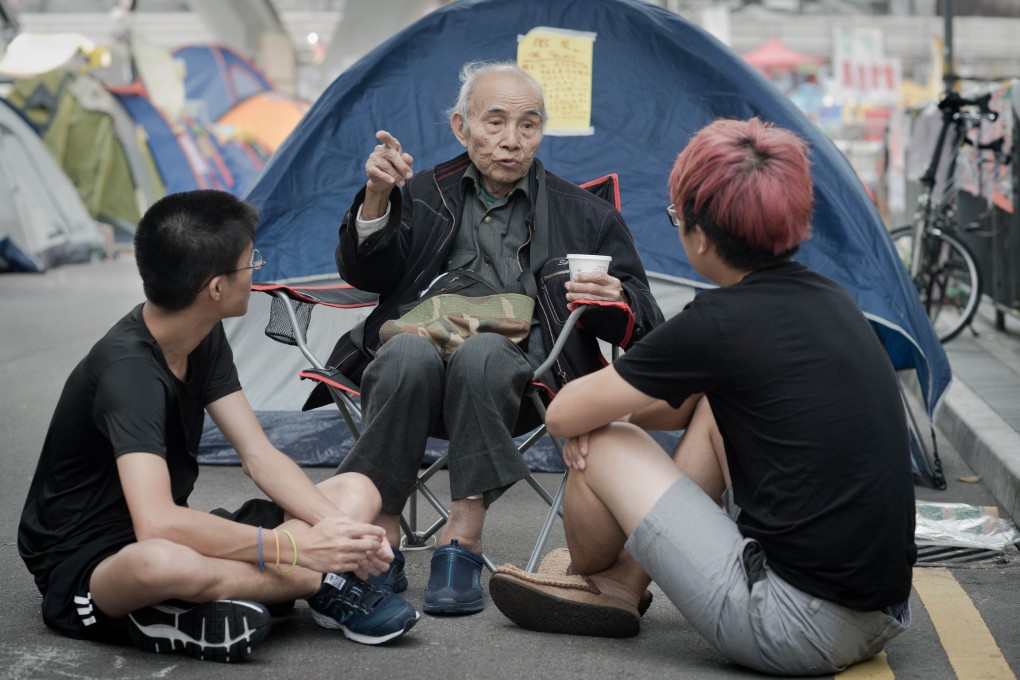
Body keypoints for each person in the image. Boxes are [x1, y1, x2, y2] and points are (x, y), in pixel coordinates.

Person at [488, 118, 916, 676]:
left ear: (701, 236)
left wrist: (592, 419)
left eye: (676, 219)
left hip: (793, 627)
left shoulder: (717, 322)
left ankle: (601, 576)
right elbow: (680, 405)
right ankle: (624, 580)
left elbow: (565, 410)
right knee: (713, 404)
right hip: (883, 612)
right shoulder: (829, 299)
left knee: (603, 434)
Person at [316, 60, 663, 615]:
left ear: (541, 132)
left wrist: (612, 297)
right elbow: (366, 277)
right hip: (416, 369)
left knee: (481, 353)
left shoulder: (585, 213)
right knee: (403, 349)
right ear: (461, 127)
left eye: (528, 125)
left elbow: (646, 315)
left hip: (527, 378)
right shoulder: (420, 191)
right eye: (494, 122)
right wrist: (377, 200)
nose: (511, 140)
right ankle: (380, 536)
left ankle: (464, 537)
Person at [18, 190, 420, 663]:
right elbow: (157, 523)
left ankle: (188, 610)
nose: (257, 273)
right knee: (162, 562)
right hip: (95, 563)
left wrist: (334, 532)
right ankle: (322, 584)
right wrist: (301, 551)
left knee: (356, 491)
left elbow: (258, 455)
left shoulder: (201, 333)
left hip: (182, 534)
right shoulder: (127, 372)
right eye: (252, 264)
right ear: (215, 288)